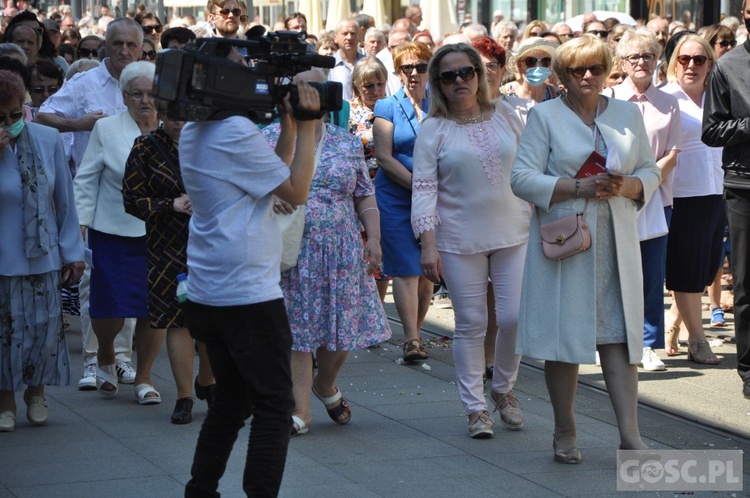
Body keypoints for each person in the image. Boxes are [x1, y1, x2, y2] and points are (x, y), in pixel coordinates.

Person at [511, 35, 661, 462]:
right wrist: (577, 186)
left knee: (620, 336)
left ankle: (630, 437)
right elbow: (521, 178)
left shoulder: (629, 112)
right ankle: (565, 430)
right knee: (565, 340)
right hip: (568, 241)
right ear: (562, 75)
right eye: (578, 70)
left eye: (596, 67)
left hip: (616, 241)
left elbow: (649, 170)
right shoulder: (544, 116)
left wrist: (629, 184)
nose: (589, 77)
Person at [179, 68, 320, 496]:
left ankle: (200, 490)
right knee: (276, 405)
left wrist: (289, 129)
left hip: (211, 288)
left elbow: (263, 178)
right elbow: (294, 191)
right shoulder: (235, 129)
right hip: (246, 296)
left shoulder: (197, 128)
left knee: (230, 403)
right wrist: (311, 124)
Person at [413, 43, 530, 438]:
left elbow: (532, 166)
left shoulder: (508, 114)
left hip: (515, 230)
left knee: (514, 317)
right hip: (459, 238)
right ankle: (475, 408)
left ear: (480, 75)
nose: (460, 80)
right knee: (471, 323)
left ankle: (503, 389)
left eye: (467, 72)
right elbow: (424, 187)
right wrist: (428, 243)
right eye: (449, 76)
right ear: (438, 84)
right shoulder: (434, 129)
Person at [264, 69, 391, 436]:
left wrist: (375, 238)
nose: (309, 95)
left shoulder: (346, 142)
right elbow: (251, 185)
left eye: (316, 87)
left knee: (343, 330)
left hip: (342, 247)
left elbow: (364, 192)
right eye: (300, 88)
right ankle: (299, 411)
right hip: (292, 249)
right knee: (299, 332)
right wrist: (271, 194)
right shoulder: (270, 137)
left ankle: (325, 384)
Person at [37, 17, 143, 390]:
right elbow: (41, 115)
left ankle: (124, 359)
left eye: (132, 44)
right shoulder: (84, 83)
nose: (125, 51)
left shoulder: (146, 83)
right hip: (93, 192)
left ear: (142, 47)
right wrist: (79, 124)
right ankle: (93, 360)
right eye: (118, 44)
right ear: (105, 47)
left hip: (139, 196)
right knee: (92, 281)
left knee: (132, 279)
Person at [0, 69, 85, 433]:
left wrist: (73, 252)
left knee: (44, 329)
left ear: (25, 108)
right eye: (0, 116)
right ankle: (5, 400)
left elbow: (64, 202)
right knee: (6, 332)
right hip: (4, 257)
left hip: (44, 254)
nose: (8, 122)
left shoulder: (48, 138)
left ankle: (37, 393)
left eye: (15, 114)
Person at [73, 61, 162, 403]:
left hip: (159, 234)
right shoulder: (107, 129)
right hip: (110, 231)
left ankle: (144, 377)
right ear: (124, 97)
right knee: (108, 307)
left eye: (151, 93)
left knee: (153, 308)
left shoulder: (172, 130)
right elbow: (86, 178)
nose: (144, 100)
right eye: (136, 93)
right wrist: (79, 225)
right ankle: (107, 355)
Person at [122, 112, 216, 424]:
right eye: (175, 116)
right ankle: (184, 397)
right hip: (167, 247)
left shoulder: (212, 143)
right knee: (179, 321)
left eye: (189, 116)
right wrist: (170, 204)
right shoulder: (145, 148)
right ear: (162, 114)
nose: (181, 122)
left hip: (213, 243)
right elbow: (132, 200)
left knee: (215, 322)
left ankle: (207, 381)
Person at [610, 28, 682, 371]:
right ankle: (610, 340)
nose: (641, 62)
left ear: (658, 60)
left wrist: (644, 185)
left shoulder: (669, 102)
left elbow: (673, 154)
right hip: (612, 197)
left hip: (655, 199)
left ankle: (646, 343)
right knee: (612, 273)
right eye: (634, 56)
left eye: (648, 56)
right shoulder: (608, 98)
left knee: (651, 277)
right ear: (622, 61)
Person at [662, 34, 723, 365]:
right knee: (687, 270)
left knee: (708, 267)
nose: (691, 66)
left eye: (699, 60)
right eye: (684, 59)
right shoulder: (665, 99)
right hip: (682, 195)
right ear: (674, 64)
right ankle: (697, 340)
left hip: (718, 191)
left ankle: (676, 319)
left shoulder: (719, 97)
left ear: (709, 64)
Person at [373, 41, 433, 363]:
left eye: (420, 67)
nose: (413, 73)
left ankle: (418, 331)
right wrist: (418, 186)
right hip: (395, 196)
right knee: (407, 268)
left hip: (434, 198)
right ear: (397, 72)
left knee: (427, 272)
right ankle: (410, 339)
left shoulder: (442, 105)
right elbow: (383, 157)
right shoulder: (386, 106)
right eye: (406, 68)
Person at [703, 0, 750, 397]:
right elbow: (712, 130)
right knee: (747, 283)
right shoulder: (728, 66)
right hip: (744, 188)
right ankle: (749, 370)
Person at [348, 56, 389, 300]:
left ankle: (380, 316)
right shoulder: (348, 113)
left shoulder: (393, 108)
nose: (375, 91)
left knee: (382, 261)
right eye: (368, 86)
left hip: (388, 191)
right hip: (358, 194)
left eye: (379, 84)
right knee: (361, 255)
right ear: (357, 87)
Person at [503, 38, 559, 104]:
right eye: (530, 61)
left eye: (545, 61)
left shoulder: (558, 95)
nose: (538, 66)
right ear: (519, 64)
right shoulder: (503, 94)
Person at [328, 19, 365, 101]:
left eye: (353, 33)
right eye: (345, 34)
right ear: (335, 38)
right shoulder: (329, 65)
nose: (349, 37)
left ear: (359, 37)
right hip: (340, 113)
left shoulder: (367, 63)